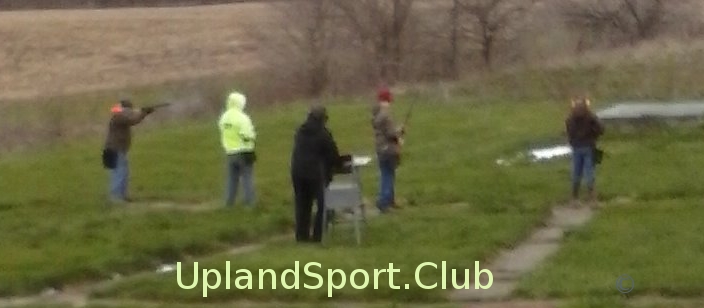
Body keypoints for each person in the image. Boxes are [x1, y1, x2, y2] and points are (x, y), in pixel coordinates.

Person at [290, 105, 342, 243]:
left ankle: (301, 236)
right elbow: (332, 155)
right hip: (315, 173)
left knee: (302, 204)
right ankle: (318, 235)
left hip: (297, 172)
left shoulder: (300, 132)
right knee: (323, 204)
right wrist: (340, 164)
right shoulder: (323, 134)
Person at [103, 99, 155, 203]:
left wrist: (143, 112)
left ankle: (121, 195)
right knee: (119, 173)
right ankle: (116, 197)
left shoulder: (118, 115)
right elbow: (133, 120)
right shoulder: (119, 116)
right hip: (115, 149)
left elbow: (132, 118)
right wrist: (144, 113)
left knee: (122, 172)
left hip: (115, 149)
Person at [218, 91, 257, 208]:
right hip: (244, 151)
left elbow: (222, 130)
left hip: (230, 152)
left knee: (231, 179)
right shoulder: (242, 118)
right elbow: (248, 134)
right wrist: (252, 139)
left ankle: (229, 203)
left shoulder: (224, 117)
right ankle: (250, 204)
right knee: (247, 178)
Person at [565, 97, 604, 206]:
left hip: (576, 147)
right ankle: (592, 199)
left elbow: (569, 132)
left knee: (576, 173)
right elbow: (600, 129)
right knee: (589, 173)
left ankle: (574, 199)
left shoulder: (570, 119)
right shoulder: (590, 118)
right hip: (588, 147)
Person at [372, 86, 405, 213]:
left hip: (380, 148)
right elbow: (391, 134)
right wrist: (399, 134)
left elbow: (386, 131)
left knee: (387, 174)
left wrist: (397, 131)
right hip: (388, 149)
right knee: (388, 175)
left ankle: (389, 200)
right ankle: (384, 202)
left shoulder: (377, 114)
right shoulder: (386, 115)